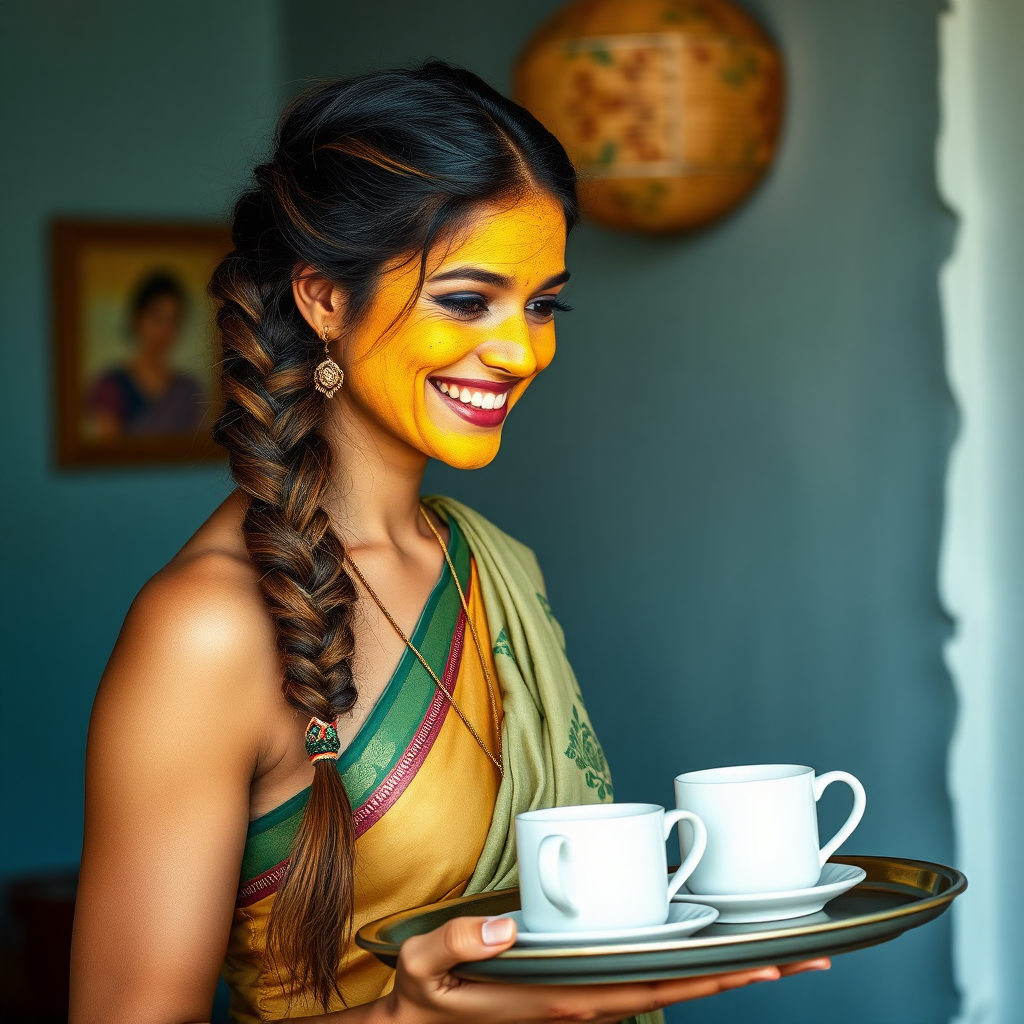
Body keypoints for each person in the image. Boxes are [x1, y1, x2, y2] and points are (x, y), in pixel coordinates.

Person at [70, 63, 828, 1024]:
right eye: (468, 300)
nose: (521, 350)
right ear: (323, 299)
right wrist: (410, 1016)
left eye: (543, 303)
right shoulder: (208, 629)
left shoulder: (495, 564)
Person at [88, 270, 206, 439]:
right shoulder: (111, 387)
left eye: (173, 320)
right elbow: (110, 456)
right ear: (137, 318)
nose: (164, 330)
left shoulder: (189, 390)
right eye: (157, 317)